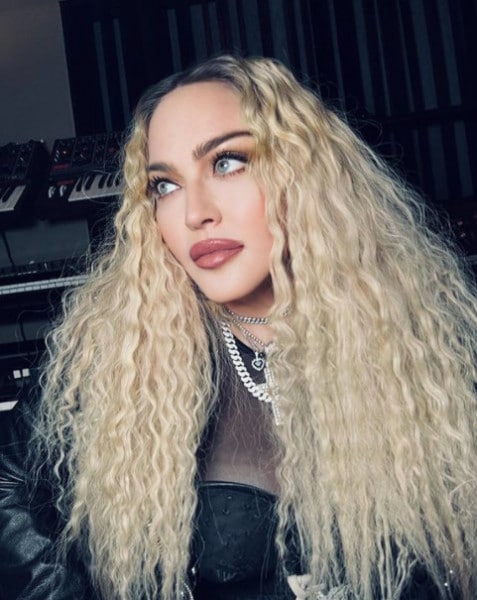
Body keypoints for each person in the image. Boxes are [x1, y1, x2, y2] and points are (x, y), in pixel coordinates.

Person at [1, 55, 476, 600]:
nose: (195, 213)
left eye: (227, 162)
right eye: (165, 185)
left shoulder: (426, 341)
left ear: (302, 173)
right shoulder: (123, 349)